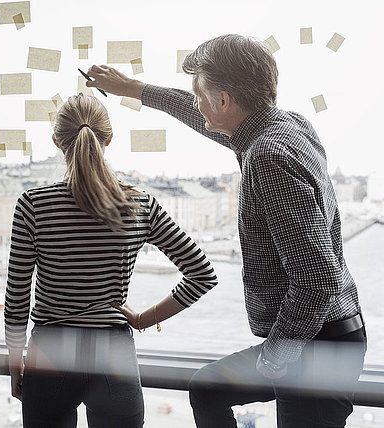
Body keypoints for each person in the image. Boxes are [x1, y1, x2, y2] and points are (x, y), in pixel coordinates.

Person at [85, 34, 366, 427]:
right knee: (208, 388)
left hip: (315, 349)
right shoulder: (286, 126)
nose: (196, 102)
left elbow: (317, 280)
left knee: (209, 390)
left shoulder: (267, 157)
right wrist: (133, 89)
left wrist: (273, 360)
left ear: (223, 102)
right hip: (324, 336)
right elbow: (196, 113)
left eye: (199, 93)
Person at [4, 93, 218, 427]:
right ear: (109, 140)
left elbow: (17, 297)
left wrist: (15, 363)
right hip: (112, 352)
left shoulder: (33, 205)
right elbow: (202, 274)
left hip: (50, 351)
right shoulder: (140, 205)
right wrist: (145, 318)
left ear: (57, 143)